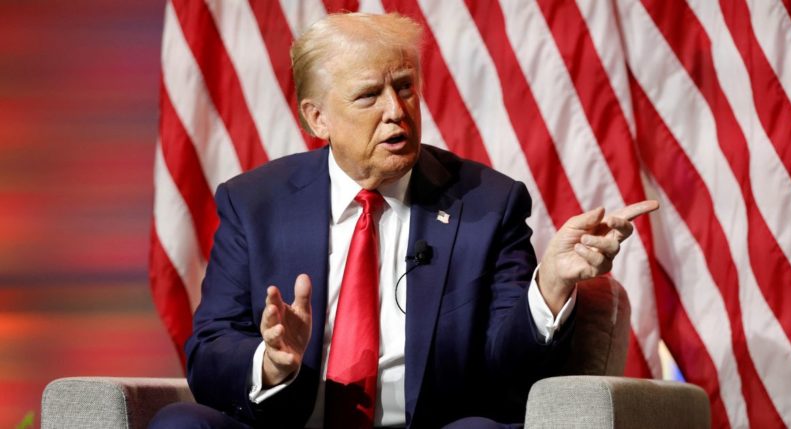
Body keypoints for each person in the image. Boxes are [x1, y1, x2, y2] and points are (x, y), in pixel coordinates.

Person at [150, 12, 657, 429]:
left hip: (431, 426)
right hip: (288, 422)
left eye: (406, 87)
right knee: (180, 424)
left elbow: (510, 370)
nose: (397, 110)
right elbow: (211, 348)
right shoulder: (254, 203)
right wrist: (272, 362)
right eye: (369, 95)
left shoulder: (488, 204)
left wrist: (548, 288)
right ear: (317, 117)